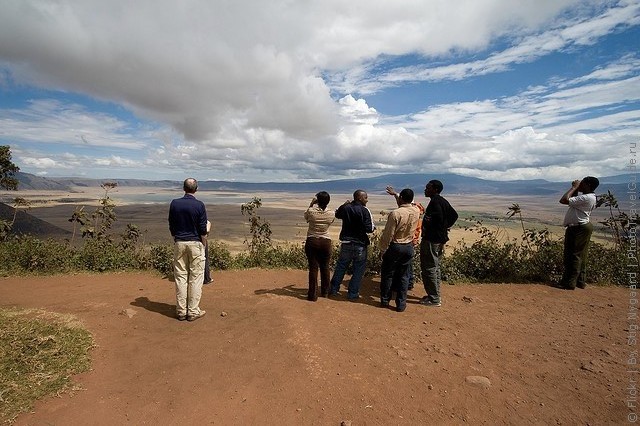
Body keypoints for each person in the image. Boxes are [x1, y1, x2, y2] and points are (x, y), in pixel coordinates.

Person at [168, 178, 208, 321]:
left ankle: (181, 311)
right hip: (195, 243)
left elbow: (171, 224)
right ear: (196, 189)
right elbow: (203, 228)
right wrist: (203, 244)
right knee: (196, 278)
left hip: (179, 243)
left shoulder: (174, 204)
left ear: (183, 188)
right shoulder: (199, 205)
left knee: (180, 278)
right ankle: (192, 311)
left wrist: (176, 237)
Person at [553, 176, 600, 290]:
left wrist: (573, 188)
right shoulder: (588, 197)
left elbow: (564, 200)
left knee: (572, 255)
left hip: (578, 228)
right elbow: (572, 202)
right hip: (581, 227)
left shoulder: (587, 198)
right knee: (580, 255)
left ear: (588, 185)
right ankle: (580, 281)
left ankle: (569, 283)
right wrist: (576, 190)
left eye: (582, 183)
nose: (580, 185)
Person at [379, 188, 421, 312]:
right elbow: (405, 205)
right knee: (404, 276)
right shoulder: (416, 210)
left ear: (401, 197)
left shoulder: (396, 213)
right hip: (408, 247)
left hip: (395, 246)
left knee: (388, 274)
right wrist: (396, 195)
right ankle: (401, 304)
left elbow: (388, 234)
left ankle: (385, 301)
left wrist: (382, 250)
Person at [329, 189, 375, 300]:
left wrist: (344, 205)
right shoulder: (365, 210)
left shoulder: (346, 208)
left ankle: (333, 289)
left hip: (346, 243)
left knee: (341, 266)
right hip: (360, 244)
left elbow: (338, 214)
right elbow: (370, 229)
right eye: (366, 198)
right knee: (358, 269)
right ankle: (352, 294)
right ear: (360, 198)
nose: (367, 200)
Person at [419, 179, 458, 307]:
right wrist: (444, 228)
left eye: (428, 188)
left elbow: (442, 218)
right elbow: (454, 215)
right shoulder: (441, 201)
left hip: (432, 240)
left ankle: (434, 298)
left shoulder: (436, 202)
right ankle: (434, 295)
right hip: (439, 239)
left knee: (429, 267)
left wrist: (438, 229)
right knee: (435, 267)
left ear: (435, 189)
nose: (425, 189)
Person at [386, 185, 424, 290]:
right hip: (411, 240)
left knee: (403, 265)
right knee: (406, 263)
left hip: (407, 239)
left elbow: (401, 204)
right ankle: (407, 283)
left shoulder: (412, 210)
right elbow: (402, 203)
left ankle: (405, 283)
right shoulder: (416, 209)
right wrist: (395, 194)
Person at [304, 191, 335, 301]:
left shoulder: (311, 211)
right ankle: (326, 292)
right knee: (325, 267)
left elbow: (306, 218)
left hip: (312, 240)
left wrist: (311, 204)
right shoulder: (331, 213)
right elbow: (330, 222)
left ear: (317, 201)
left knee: (313, 268)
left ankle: (312, 295)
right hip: (325, 241)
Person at [203, 220, 213, 284]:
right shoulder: (199, 211)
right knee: (205, 259)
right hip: (201, 239)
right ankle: (206, 278)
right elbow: (208, 224)